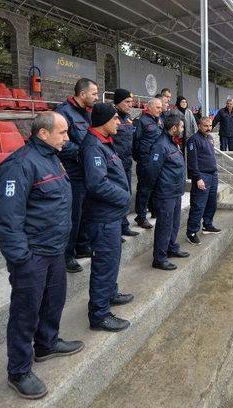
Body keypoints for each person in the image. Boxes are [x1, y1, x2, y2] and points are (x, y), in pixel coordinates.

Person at [0, 112, 84, 399]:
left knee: (53, 301)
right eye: (62, 133)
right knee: (25, 313)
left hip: (55, 249)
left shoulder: (51, 156)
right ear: (43, 134)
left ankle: (46, 344)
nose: (67, 138)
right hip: (32, 254)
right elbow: (8, 219)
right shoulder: (19, 165)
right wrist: (22, 258)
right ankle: (18, 371)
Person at [81, 103, 133, 332]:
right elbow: (97, 184)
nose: (119, 122)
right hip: (102, 218)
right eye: (115, 119)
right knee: (104, 265)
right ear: (103, 121)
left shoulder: (103, 142)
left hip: (110, 216)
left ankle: (110, 294)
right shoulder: (93, 147)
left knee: (111, 262)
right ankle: (99, 315)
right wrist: (124, 197)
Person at [55, 78, 98, 274]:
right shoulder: (63, 113)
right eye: (94, 94)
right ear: (82, 95)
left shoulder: (88, 112)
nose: (96, 97)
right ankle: (67, 255)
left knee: (85, 211)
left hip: (86, 171)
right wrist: (84, 152)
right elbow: (62, 143)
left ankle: (82, 245)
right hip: (72, 172)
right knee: (73, 214)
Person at [146, 115, 189, 270]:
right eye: (182, 127)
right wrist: (153, 194)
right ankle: (159, 258)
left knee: (174, 223)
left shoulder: (172, 142)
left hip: (175, 191)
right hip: (165, 193)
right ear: (174, 128)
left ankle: (171, 248)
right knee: (164, 225)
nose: (183, 130)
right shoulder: (161, 145)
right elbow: (152, 171)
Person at [186, 117, 221, 245]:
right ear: (199, 126)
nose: (209, 128)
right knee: (198, 205)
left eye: (210, 125)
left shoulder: (210, 138)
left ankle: (207, 224)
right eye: (205, 126)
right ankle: (191, 232)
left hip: (213, 175)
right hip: (202, 176)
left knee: (212, 203)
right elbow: (192, 161)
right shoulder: (193, 140)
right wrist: (198, 178)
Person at [112, 88, 140, 237]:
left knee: (126, 194)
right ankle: (116, 229)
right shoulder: (112, 117)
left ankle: (124, 225)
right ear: (118, 102)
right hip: (115, 164)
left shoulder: (128, 118)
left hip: (127, 163)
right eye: (127, 102)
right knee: (117, 196)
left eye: (131, 102)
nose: (130, 104)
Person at [132, 97, 163, 229]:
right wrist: (140, 158)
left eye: (161, 107)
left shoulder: (158, 120)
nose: (160, 110)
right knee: (144, 189)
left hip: (156, 160)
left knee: (155, 187)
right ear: (149, 107)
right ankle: (141, 216)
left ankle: (154, 210)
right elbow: (134, 142)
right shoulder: (141, 121)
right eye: (158, 107)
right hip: (145, 161)